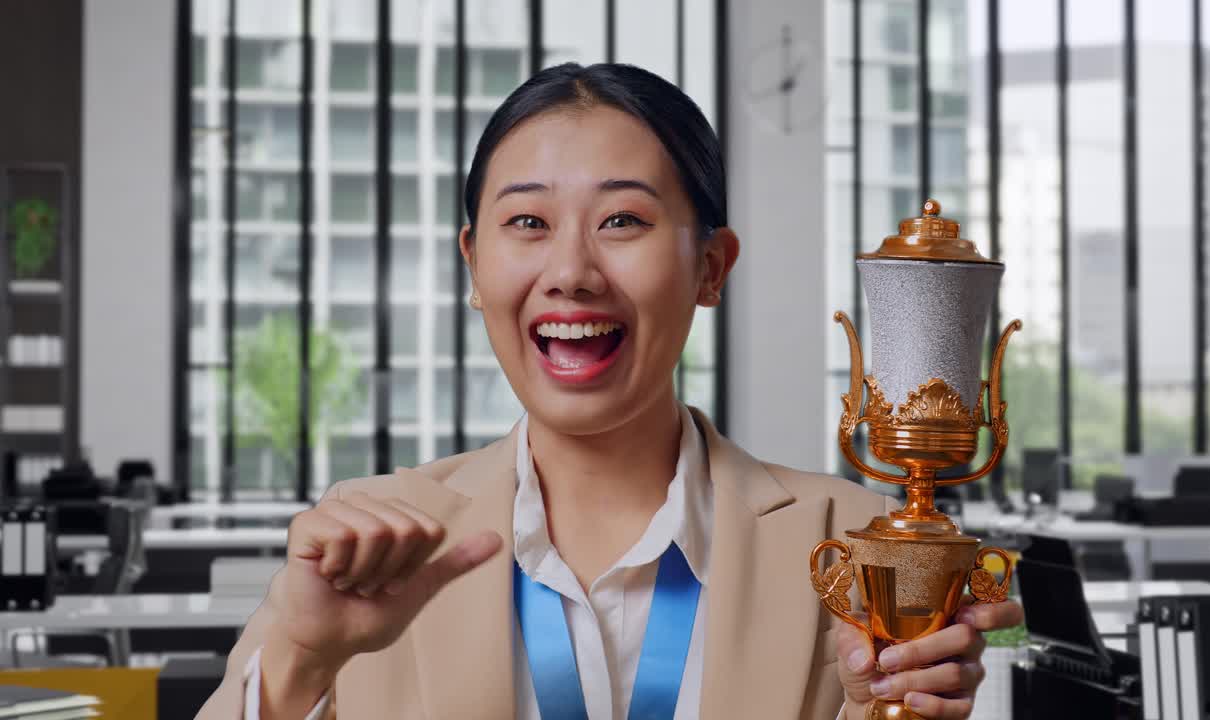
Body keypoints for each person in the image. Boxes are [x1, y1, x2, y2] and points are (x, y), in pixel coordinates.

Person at [196, 62, 1022, 720]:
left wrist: (895, 711)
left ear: (710, 266)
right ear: (473, 267)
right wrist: (303, 659)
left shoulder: (852, 545)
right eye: (527, 223)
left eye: (622, 220)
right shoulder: (371, 544)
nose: (571, 273)